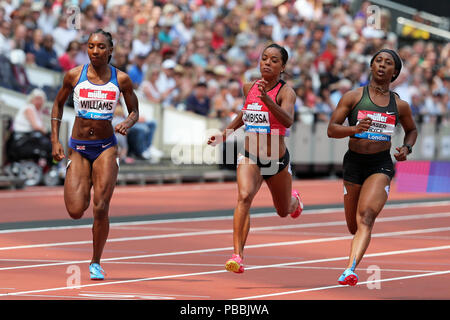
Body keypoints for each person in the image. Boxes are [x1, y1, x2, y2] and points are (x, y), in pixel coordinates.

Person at [50, 29, 139, 280]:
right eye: (91, 46)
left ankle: (95, 261)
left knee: (101, 207)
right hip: (78, 147)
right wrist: (54, 139)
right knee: (76, 210)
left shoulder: (121, 80)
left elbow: (134, 111)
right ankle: (80, 178)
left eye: (101, 47)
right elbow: (57, 104)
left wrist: (127, 123)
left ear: (110, 50)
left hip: (106, 147)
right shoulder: (74, 75)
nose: (95, 51)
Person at [207, 43, 303, 274]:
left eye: (274, 60)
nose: (267, 63)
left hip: (276, 161)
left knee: (283, 211)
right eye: (264, 58)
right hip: (250, 156)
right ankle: (237, 255)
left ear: (282, 67)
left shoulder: (285, 92)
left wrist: (269, 102)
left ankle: (294, 201)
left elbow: (288, 120)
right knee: (243, 197)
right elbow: (245, 113)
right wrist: (225, 133)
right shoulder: (249, 86)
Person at [327, 49, 418, 286]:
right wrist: (353, 130)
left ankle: (349, 269)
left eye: (388, 63)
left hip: (381, 165)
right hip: (354, 164)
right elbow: (332, 129)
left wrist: (406, 149)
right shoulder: (353, 97)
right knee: (352, 225)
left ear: (394, 72)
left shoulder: (400, 105)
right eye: (378, 61)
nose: (381, 65)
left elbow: (412, 130)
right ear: (371, 66)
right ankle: (353, 258)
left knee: (366, 217)